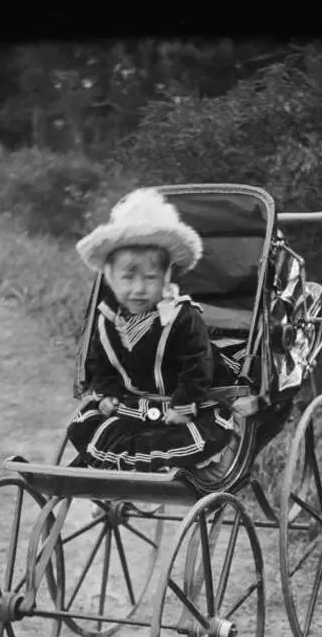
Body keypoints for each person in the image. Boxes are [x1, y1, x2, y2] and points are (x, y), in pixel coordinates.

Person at [67, 188, 238, 473]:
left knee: (181, 442)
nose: (138, 289)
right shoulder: (107, 319)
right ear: (109, 278)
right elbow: (102, 363)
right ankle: (116, 479)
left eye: (150, 278)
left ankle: (165, 471)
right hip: (133, 411)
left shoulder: (182, 316)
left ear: (166, 278)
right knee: (95, 428)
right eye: (127, 278)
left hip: (181, 412)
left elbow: (198, 365)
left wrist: (184, 406)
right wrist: (108, 393)